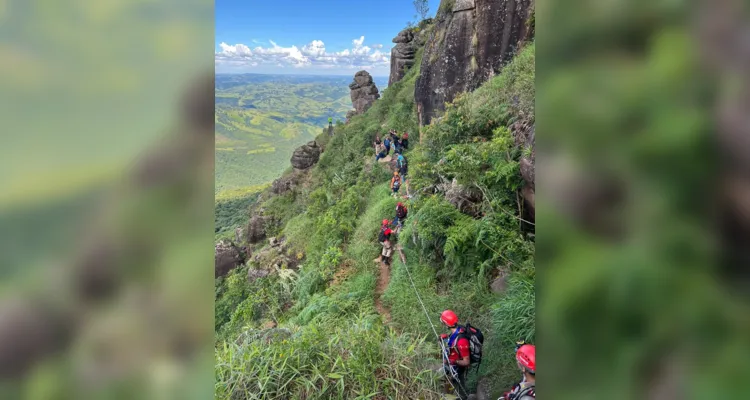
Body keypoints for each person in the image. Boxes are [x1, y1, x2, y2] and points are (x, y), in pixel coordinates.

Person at [439, 310, 471, 400]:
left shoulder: (461, 340)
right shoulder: (456, 331)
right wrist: (445, 339)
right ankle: (446, 396)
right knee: (446, 382)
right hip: (451, 366)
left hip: (457, 369)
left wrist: (454, 361)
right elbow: (452, 345)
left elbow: (466, 361)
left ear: (446, 324)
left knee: (461, 393)